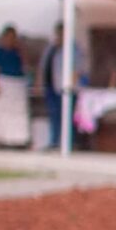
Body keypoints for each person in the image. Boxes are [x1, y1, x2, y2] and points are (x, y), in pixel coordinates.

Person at [0, 25, 31, 148]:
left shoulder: (18, 51)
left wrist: (21, 50)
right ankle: (2, 139)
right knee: (2, 112)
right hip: (4, 82)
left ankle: (18, 139)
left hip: (18, 84)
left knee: (18, 113)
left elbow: (25, 66)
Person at [38, 24, 79, 152]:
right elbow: (43, 66)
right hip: (51, 87)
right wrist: (39, 83)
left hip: (66, 88)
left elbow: (78, 68)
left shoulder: (73, 49)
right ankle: (54, 141)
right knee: (54, 114)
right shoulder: (51, 48)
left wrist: (72, 83)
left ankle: (69, 143)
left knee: (67, 116)